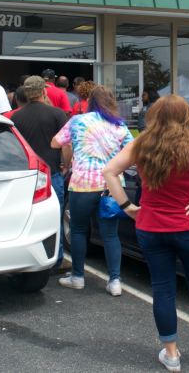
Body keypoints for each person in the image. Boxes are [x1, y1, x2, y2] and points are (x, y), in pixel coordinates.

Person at [103, 94, 189, 371]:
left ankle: (171, 355)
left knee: (163, 289)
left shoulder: (141, 144)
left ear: (154, 116)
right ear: (187, 116)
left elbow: (110, 171)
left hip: (151, 227)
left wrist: (126, 206)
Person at [51, 85, 133, 296]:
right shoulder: (120, 125)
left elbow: (56, 143)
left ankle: (77, 277)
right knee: (110, 235)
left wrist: (71, 155)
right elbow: (133, 150)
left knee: (78, 230)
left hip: (83, 183)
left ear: (90, 102)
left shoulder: (77, 121)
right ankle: (114, 281)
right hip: (112, 186)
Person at [12, 77, 71, 273]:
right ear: (43, 92)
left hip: (26, 174)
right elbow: (66, 144)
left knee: (25, 216)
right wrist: (66, 166)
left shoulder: (16, 116)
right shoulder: (56, 113)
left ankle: (25, 257)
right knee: (54, 217)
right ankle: (56, 260)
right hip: (52, 172)